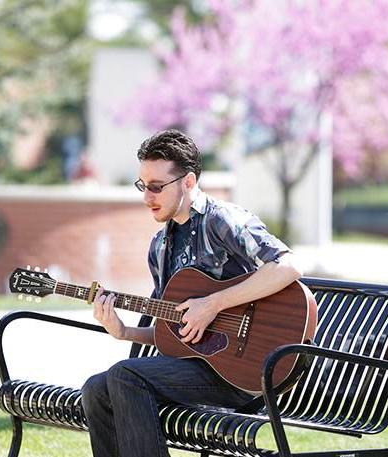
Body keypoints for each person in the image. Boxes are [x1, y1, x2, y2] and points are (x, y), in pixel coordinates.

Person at [81, 129, 303, 457]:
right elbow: (171, 334)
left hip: (244, 370)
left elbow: (288, 266)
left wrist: (213, 304)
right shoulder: (160, 246)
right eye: (143, 186)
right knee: (96, 389)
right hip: (197, 366)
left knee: (126, 376)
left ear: (187, 182)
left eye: (156, 187)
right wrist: (124, 331)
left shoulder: (222, 220)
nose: (147, 197)